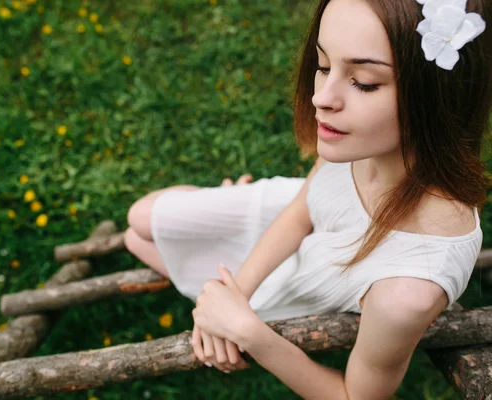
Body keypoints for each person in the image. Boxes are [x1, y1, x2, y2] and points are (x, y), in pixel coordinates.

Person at [125, 0, 491, 397]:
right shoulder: (357, 138)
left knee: (136, 239)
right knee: (140, 219)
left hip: (303, 279)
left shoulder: (407, 292)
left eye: (364, 81)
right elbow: (300, 212)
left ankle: (215, 259)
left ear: (438, 97)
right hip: (286, 217)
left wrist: (250, 332)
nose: (322, 98)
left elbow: (355, 396)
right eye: (322, 65)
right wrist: (236, 291)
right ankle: (223, 226)